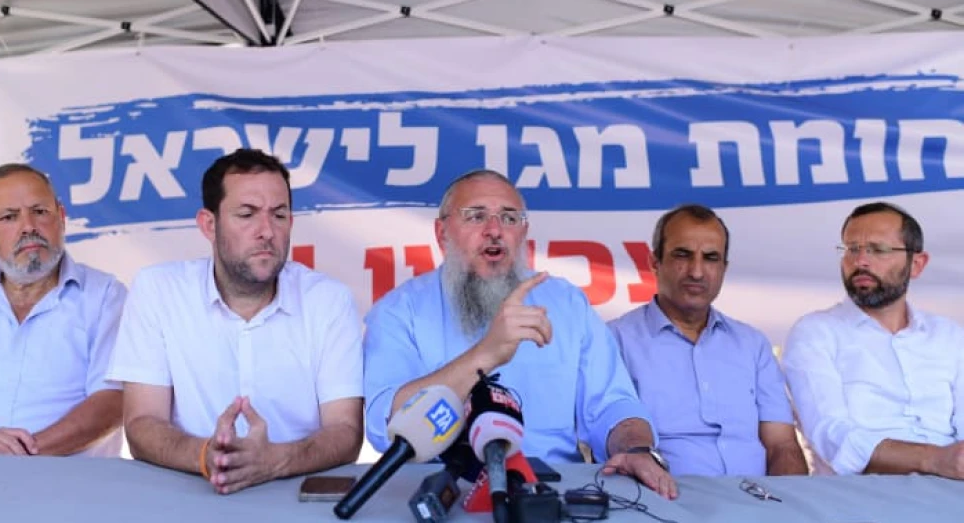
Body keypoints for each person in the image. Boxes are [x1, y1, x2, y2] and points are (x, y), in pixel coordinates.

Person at [363, 169, 677, 500]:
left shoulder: (565, 303)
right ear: (442, 233)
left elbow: (613, 404)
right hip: (439, 494)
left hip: (551, 491)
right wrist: (486, 354)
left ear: (523, 231)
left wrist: (635, 449)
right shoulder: (400, 310)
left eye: (509, 218)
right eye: (476, 216)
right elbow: (385, 427)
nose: (494, 230)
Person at [107, 149, 363, 495]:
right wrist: (206, 456)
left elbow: (346, 432)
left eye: (279, 215)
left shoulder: (328, 300)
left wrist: (275, 461)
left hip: (294, 496)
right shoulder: (158, 290)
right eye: (247, 214)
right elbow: (141, 423)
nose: (267, 231)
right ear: (208, 225)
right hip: (186, 493)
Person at [608, 205, 807, 476]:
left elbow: (782, 445)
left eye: (711, 258)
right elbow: (615, 439)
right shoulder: (616, 340)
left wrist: (787, 499)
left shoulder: (752, 345)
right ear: (655, 262)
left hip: (756, 498)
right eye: (683, 255)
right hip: (664, 497)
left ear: (724, 268)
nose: (697, 272)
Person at [784, 202, 964, 476]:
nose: (860, 262)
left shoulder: (950, 336)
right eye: (852, 249)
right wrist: (933, 459)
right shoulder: (815, 332)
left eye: (878, 249)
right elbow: (831, 436)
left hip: (950, 487)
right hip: (860, 491)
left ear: (916, 264)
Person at [0, 163, 125, 456]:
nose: (29, 227)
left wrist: (23, 453)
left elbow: (113, 400)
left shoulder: (105, 296)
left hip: (67, 479)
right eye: (9, 217)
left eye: (40, 212)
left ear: (61, 218)